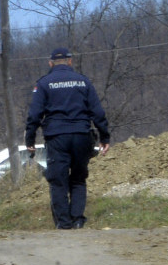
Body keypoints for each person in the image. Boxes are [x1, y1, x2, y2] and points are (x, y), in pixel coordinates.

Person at [24, 47, 111, 229]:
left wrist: (30, 140)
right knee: (78, 178)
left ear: (50, 63)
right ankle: (78, 220)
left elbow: (34, 115)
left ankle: (64, 224)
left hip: (57, 137)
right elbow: (97, 112)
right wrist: (104, 136)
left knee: (58, 180)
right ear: (70, 61)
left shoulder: (44, 83)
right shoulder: (83, 81)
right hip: (82, 135)